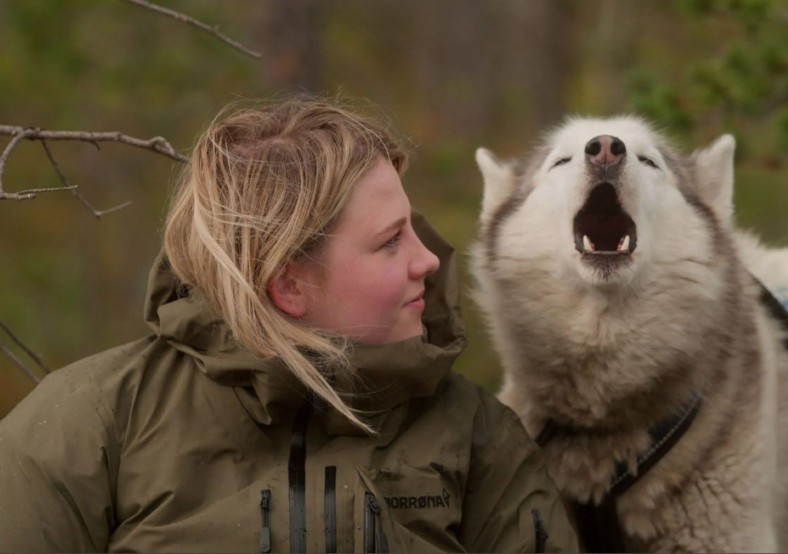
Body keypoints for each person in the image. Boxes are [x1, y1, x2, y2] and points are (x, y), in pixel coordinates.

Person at [0, 98, 579, 553]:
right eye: (389, 242)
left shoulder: (480, 439)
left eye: (412, 227)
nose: (427, 260)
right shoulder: (87, 430)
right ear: (289, 286)